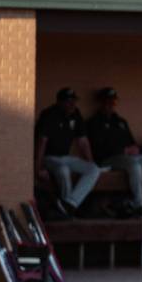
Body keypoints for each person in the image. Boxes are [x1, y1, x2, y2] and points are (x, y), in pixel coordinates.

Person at [86, 87, 142, 216]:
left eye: (113, 102)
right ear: (101, 103)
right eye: (107, 101)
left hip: (129, 157)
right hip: (109, 159)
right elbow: (98, 148)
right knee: (134, 164)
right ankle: (139, 204)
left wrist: (136, 149)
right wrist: (123, 150)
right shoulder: (94, 122)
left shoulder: (120, 121)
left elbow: (131, 142)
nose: (110, 105)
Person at [35, 88, 101, 218]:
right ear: (60, 102)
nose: (72, 104)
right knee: (63, 170)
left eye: (74, 101)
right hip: (50, 158)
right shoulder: (49, 114)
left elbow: (83, 141)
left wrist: (90, 161)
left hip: (65, 157)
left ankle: (69, 204)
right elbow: (42, 142)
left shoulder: (75, 113)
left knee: (94, 169)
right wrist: (39, 167)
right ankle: (67, 212)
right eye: (68, 101)